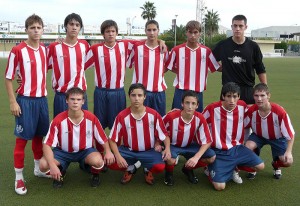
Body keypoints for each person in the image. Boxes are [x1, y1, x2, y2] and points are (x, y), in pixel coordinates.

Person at [4, 14, 50, 195]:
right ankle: (19, 178)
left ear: (43, 30)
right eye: (32, 28)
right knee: (22, 140)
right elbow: (8, 79)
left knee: (40, 137)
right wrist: (12, 101)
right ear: (26, 30)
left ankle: (38, 169)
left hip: (42, 101)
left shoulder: (45, 50)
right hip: (25, 101)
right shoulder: (18, 50)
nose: (36, 31)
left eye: (39, 27)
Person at [39, 87, 115, 188]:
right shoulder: (58, 120)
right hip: (63, 152)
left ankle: (94, 174)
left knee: (98, 162)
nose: (75, 102)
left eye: (78, 99)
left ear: (83, 101)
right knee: (43, 165)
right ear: (67, 100)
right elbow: (47, 145)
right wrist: (52, 166)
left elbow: (103, 138)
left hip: (85, 151)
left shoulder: (91, 118)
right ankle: (60, 172)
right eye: (72, 99)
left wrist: (108, 151)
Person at [202, 82, 264, 191]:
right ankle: (210, 168)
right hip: (219, 151)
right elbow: (199, 123)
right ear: (223, 96)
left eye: (235, 96)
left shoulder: (242, 106)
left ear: (239, 97)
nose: (232, 100)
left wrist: (245, 141)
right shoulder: (212, 108)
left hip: (237, 149)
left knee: (260, 166)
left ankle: (233, 168)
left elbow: (249, 121)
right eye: (228, 96)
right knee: (219, 187)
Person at [108, 83, 171, 185]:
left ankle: (147, 169)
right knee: (110, 162)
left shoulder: (154, 114)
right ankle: (131, 167)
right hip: (128, 150)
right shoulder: (122, 116)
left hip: (149, 151)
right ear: (129, 96)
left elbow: (164, 135)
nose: (136, 98)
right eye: (133, 95)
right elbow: (112, 139)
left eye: (140, 95)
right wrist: (118, 156)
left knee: (159, 167)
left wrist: (167, 148)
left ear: (144, 97)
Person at [165, 20, 220, 112]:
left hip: (197, 91)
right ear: (186, 32)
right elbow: (168, 66)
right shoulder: (177, 50)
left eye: (195, 32)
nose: (193, 35)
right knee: (176, 118)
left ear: (200, 34)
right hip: (181, 91)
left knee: (196, 120)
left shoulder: (206, 51)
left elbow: (217, 67)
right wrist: (181, 71)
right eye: (190, 32)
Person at [163, 90, 216, 186]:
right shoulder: (171, 117)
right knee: (170, 159)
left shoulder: (200, 118)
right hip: (174, 145)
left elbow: (207, 141)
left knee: (211, 157)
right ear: (182, 104)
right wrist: (162, 146)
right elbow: (161, 131)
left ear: (197, 105)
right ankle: (169, 174)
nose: (190, 106)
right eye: (187, 103)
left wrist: (196, 157)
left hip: (191, 145)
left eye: (193, 103)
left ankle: (187, 169)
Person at [212, 14, 267, 105]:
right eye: (235, 26)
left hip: (247, 90)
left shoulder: (253, 46)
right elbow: (211, 60)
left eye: (240, 26)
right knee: (227, 118)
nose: (237, 28)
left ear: (245, 27)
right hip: (228, 90)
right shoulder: (223, 45)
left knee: (248, 118)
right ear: (232, 27)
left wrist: (265, 89)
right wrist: (220, 68)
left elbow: (260, 69)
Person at [245, 83, 295, 179]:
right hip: (258, 136)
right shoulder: (252, 110)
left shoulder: (279, 112)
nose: (259, 99)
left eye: (262, 95)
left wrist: (289, 152)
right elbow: (243, 124)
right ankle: (254, 166)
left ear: (268, 96)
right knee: (248, 146)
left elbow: (290, 134)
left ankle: (276, 165)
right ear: (253, 97)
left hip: (277, 138)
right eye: (256, 95)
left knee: (288, 161)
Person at [47, 13, 90, 117]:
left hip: (80, 95)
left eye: (77, 25)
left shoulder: (84, 45)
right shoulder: (54, 47)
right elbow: (41, 67)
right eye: (71, 24)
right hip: (62, 96)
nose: (74, 27)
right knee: (61, 130)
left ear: (80, 28)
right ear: (66, 26)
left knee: (82, 129)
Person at [127, 19, 168, 117]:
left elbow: (167, 67)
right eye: (149, 30)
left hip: (159, 93)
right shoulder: (137, 47)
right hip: (141, 93)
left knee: (159, 121)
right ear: (145, 31)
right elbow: (122, 41)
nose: (152, 33)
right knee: (141, 121)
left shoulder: (164, 49)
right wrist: (160, 40)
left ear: (158, 31)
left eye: (154, 30)